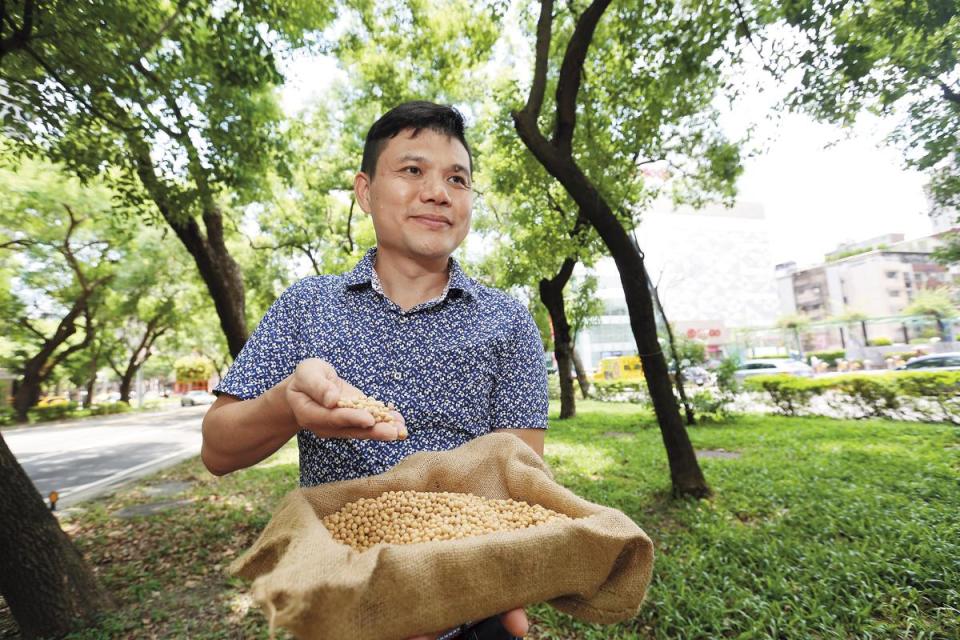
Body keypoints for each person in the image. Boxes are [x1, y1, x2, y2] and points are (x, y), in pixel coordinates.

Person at [201, 101, 549, 640]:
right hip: (341, 603)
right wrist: (287, 402)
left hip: (468, 605)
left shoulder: (508, 322)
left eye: (457, 179)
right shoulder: (306, 307)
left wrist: (453, 591)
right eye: (412, 171)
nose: (437, 192)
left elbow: (518, 477)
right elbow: (217, 450)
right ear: (365, 192)